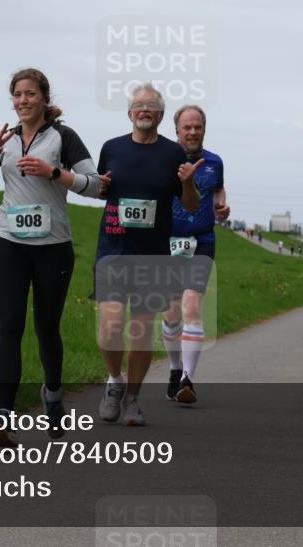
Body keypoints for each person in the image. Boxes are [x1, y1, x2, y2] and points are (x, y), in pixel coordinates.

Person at [0, 68, 104, 445]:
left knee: (46, 329)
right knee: (10, 326)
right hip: (8, 241)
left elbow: (97, 187)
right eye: (17, 95)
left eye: (30, 94)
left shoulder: (63, 138)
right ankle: (2, 416)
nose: (23, 100)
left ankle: (53, 397)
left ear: (44, 97)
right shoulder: (4, 141)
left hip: (53, 247)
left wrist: (54, 172)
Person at [93, 84, 201, 426]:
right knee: (109, 328)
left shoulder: (173, 155)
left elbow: (191, 205)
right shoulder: (111, 148)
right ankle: (114, 381)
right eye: (138, 105)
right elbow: (101, 189)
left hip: (153, 256)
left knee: (141, 332)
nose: (144, 109)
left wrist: (187, 183)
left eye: (151, 106)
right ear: (129, 113)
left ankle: (134, 400)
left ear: (160, 115)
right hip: (113, 250)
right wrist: (100, 186)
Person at [160, 104, 228, 404]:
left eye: (197, 126)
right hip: (167, 241)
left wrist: (223, 208)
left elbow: (218, 193)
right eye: (187, 127)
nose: (192, 132)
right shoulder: (163, 158)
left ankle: (188, 378)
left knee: (190, 305)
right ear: (177, 130)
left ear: (204, 129)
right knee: (172, 312)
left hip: (202, 240)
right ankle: (175, 370)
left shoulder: (215, 162)